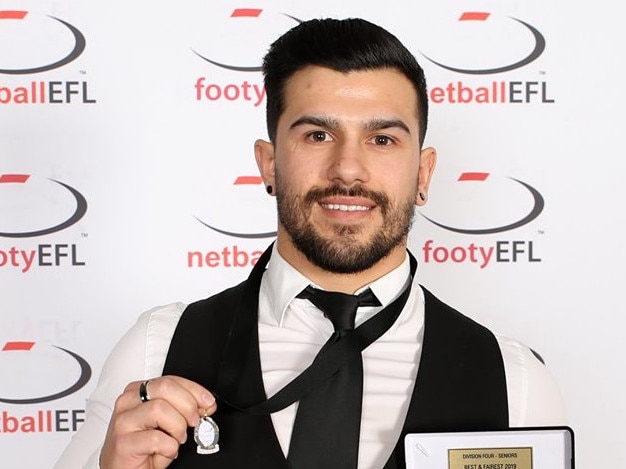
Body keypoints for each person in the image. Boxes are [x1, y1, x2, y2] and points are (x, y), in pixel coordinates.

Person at [54, 17, 566, 469]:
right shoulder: (155, 350)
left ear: (423, 173)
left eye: (382, 139)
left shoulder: (515, 382)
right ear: (269, 163)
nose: (348, 168)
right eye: (317, 135)